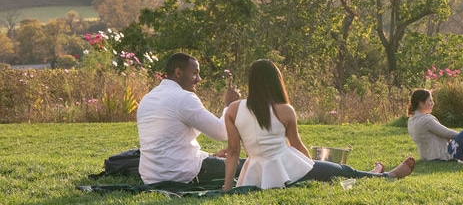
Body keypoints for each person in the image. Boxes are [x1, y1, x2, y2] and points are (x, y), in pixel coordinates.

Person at [222, 59, 414, 190]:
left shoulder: (233, 109)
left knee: (334, 172)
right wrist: (312, 166)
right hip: (288, 167)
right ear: (276, 82)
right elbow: (296, 145)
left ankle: (375, 173)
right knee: (342, 171)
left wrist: (227, 188)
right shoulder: (284, 110)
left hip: (255, 172)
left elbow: (233, 152)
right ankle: (388, 175)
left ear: (251, 81)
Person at [136, 52, 242, 185]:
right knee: (246, 166)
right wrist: (229, 105)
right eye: (195, 73)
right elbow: (222, 132)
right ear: (178, 73)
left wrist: (210, 156)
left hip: (151, 176)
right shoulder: (184, 98)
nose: (199, 79)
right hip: (181, 175)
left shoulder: (148, 98)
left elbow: (170, 144)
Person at [407, 89, 463, 162]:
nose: (433, 103)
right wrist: (462, 137)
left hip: (426, 156)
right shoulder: (425, 119)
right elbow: (446, 133)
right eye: (430, 100)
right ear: (421, 103)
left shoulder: (411, 120)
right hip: (439, 155)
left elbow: (441, 134)